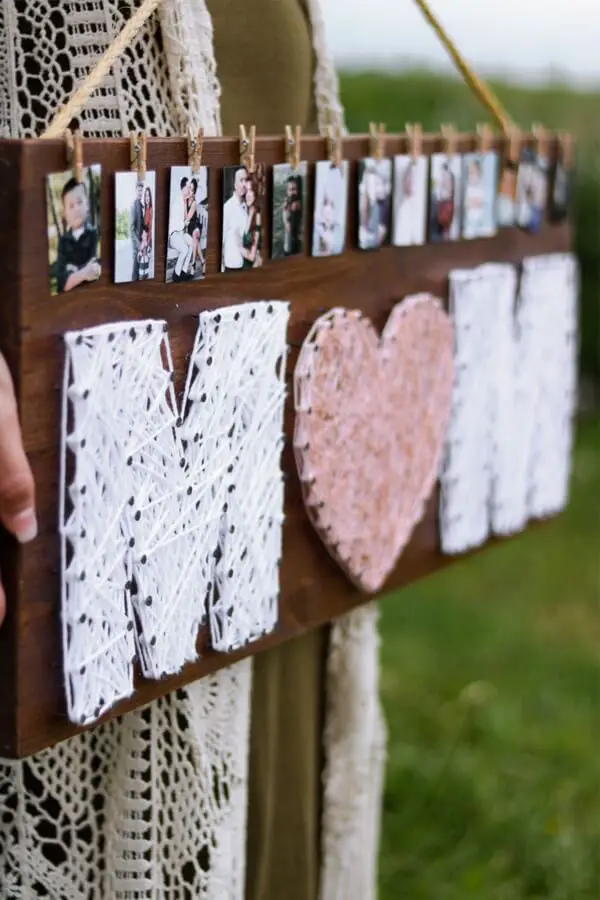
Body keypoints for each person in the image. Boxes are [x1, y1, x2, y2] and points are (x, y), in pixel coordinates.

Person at [55, 177, 101, 293]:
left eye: (80, 202)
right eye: (71, 206)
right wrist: (84, 273)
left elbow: (95, 271)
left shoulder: (93, 234)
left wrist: (73, 272)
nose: (76, 209)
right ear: (65, 213)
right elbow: (62, 284)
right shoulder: (63, 241)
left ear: (87, 205)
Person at [222, 166, 249, 272]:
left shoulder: (247, 206)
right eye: (241, 180)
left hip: (246, 265)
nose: (244, 184)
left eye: (246, 180)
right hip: (231, 266)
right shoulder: (227, 207)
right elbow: (222, 239)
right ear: (234, 184)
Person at [168, 177, 195, 282]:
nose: (189, 190)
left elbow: (185, 218)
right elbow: (177, 222)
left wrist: (187, 199)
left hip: (181, 233)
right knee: (185, 249)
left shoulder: (182, 200)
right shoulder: (176, 201)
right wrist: (185, 223)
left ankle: (183, 272)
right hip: (174, 235)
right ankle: (176, 274)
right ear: (183, 188)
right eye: (188, 187)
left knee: (192, 243)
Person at [241, 172, 263, 268]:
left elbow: (252, 256)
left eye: (251, 191)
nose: (248, 195)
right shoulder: (243, 210)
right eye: (246, 190)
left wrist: (236, 247)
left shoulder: (257, 216)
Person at [463, 156, 485, 238]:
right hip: (469, 223)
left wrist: (473, 201)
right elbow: (467, 203)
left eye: (474, 172)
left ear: (479, 173)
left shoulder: (481, 187)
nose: (472, 176)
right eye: (470, 173)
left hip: (479, 222)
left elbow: (480, 202)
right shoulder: (468, 188)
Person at [283, 174, 303, 256]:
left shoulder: (296, 204)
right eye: (290, 190)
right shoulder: (287, 203)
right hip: (288, 245)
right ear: (287, 191)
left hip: (295, 245)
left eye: (295, 189)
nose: (293, 192)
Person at [130, 180, 144, 280]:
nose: (140, 193)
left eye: (141, 191)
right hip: (137, 246)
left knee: (140, 271)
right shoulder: (134, 205)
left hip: (142, 244)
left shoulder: (141, 204)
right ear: (135, 191)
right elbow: (131, 229)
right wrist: (139, 245)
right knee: (135, 273)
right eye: (138, 191)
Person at [143, 185, 154, 252]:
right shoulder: (145, 209)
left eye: (148, 196)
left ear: (150, 197)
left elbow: (150, 228)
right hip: (145, 241)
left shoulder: (150, 210)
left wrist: (148, 242)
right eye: (146, 196)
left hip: (148, 242)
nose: (147, 198)